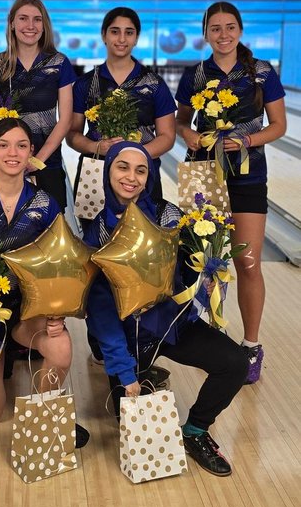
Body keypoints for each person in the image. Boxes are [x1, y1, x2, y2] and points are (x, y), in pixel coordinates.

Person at [84, 142, 249, 475]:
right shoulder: (98, 231)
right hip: (130, 334)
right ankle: (142, 371)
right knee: (126, 415)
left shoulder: (168, 215)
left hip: (174, 325)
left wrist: (208, 275)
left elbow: (192, 270)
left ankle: (196, 431)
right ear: (108, 171)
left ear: (149, 177)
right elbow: (99, 308)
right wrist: (123, 368)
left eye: (140, 170)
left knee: (234, 363)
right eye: (122, 167)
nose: (131, 177)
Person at [0, 118, 88, 444]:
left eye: (21, 145)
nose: (13, 153)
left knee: (60, 345)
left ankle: (46, 413)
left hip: (27, 308)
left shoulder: (45, 204)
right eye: (4, 145)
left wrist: (56, 312)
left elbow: (58, 265)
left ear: (31, 153)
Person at [176, 1, 286, 384]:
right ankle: (212, 340)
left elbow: (280, 125)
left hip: (249, 176)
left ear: (240, 30)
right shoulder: (194, 74)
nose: (223, 35)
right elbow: (179, 121)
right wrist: (190, 135)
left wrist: (247, 140)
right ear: (206, 33)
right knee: (203, 263)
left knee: (249, 263)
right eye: (216, 28)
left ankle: (251, 344)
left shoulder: (261, 72)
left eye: (230, 27)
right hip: (203, 174)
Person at [68, 7, 176, 204]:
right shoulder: (85, 84)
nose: (121, 39)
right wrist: (96, 146)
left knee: (144, 233)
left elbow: (168, 136)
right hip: (95, 172)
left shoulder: (154, 83)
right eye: (115, 31)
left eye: (129, 32)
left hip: (142, 173)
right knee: (93, 234)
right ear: (104, 35)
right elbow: (72, 135)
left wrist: (136, 154)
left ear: (136, 38)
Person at [0, 0, 75, 210]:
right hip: (8, 162)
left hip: (47, 162)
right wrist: (13, 156)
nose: (30, 25)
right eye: (23, 18)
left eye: (37, 19)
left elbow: (66, 119)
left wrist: (37, 160)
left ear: (45, 25)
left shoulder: (59, 63)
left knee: (51, 232)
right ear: (12, 23)